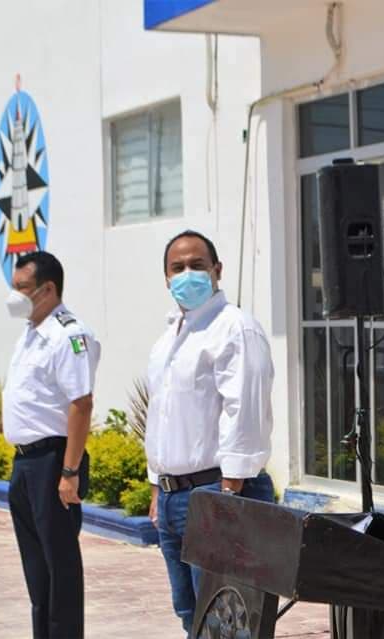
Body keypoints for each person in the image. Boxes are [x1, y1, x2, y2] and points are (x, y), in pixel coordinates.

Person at [146, 229, 276, 635]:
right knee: (192, 616)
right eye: (177, 267)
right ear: (166, 278)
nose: (188, 274)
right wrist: (157, 488)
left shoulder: (234, 327)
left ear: (217, 270)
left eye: (197, 265)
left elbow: (245, 410)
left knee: (229, 625)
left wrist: (229, 492)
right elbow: (161, 419)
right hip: (174, 500)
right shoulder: (170, 339)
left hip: (218, 494)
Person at [2, 251, 101, 639]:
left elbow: (81, 404)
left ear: (48, 289)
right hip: (25, 463)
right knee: (37, 570)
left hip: (53, 462)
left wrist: (70, 472)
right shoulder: (31, 331)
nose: (15, 296)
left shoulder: (69, 334)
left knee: (60, 570)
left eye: (22, 289)